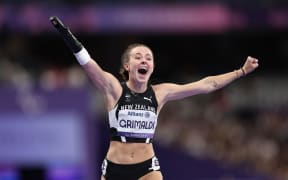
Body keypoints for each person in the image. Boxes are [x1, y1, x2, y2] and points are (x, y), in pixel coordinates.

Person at [49, 16, 259, 180]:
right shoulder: (114, 88)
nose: (144, 60)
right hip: (115, 169)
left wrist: (240, 71)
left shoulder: (161, 92)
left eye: (148, 58)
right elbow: (89, 64)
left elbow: (207, 85)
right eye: (138, 57)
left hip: (147, 167)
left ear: (152, 67)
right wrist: (66, 34)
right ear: (128, 66)